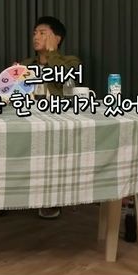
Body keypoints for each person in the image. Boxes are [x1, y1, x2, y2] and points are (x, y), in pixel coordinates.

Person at [29, 16, 82, 220]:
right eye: (35, 33)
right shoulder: (26, 64)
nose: (36, 36)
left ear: (57, 39)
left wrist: (51, 54)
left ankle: (51, 198)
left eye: (42, 33)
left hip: (57, 121)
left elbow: (65, 79)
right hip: (29, 119)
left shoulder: (71, 62)